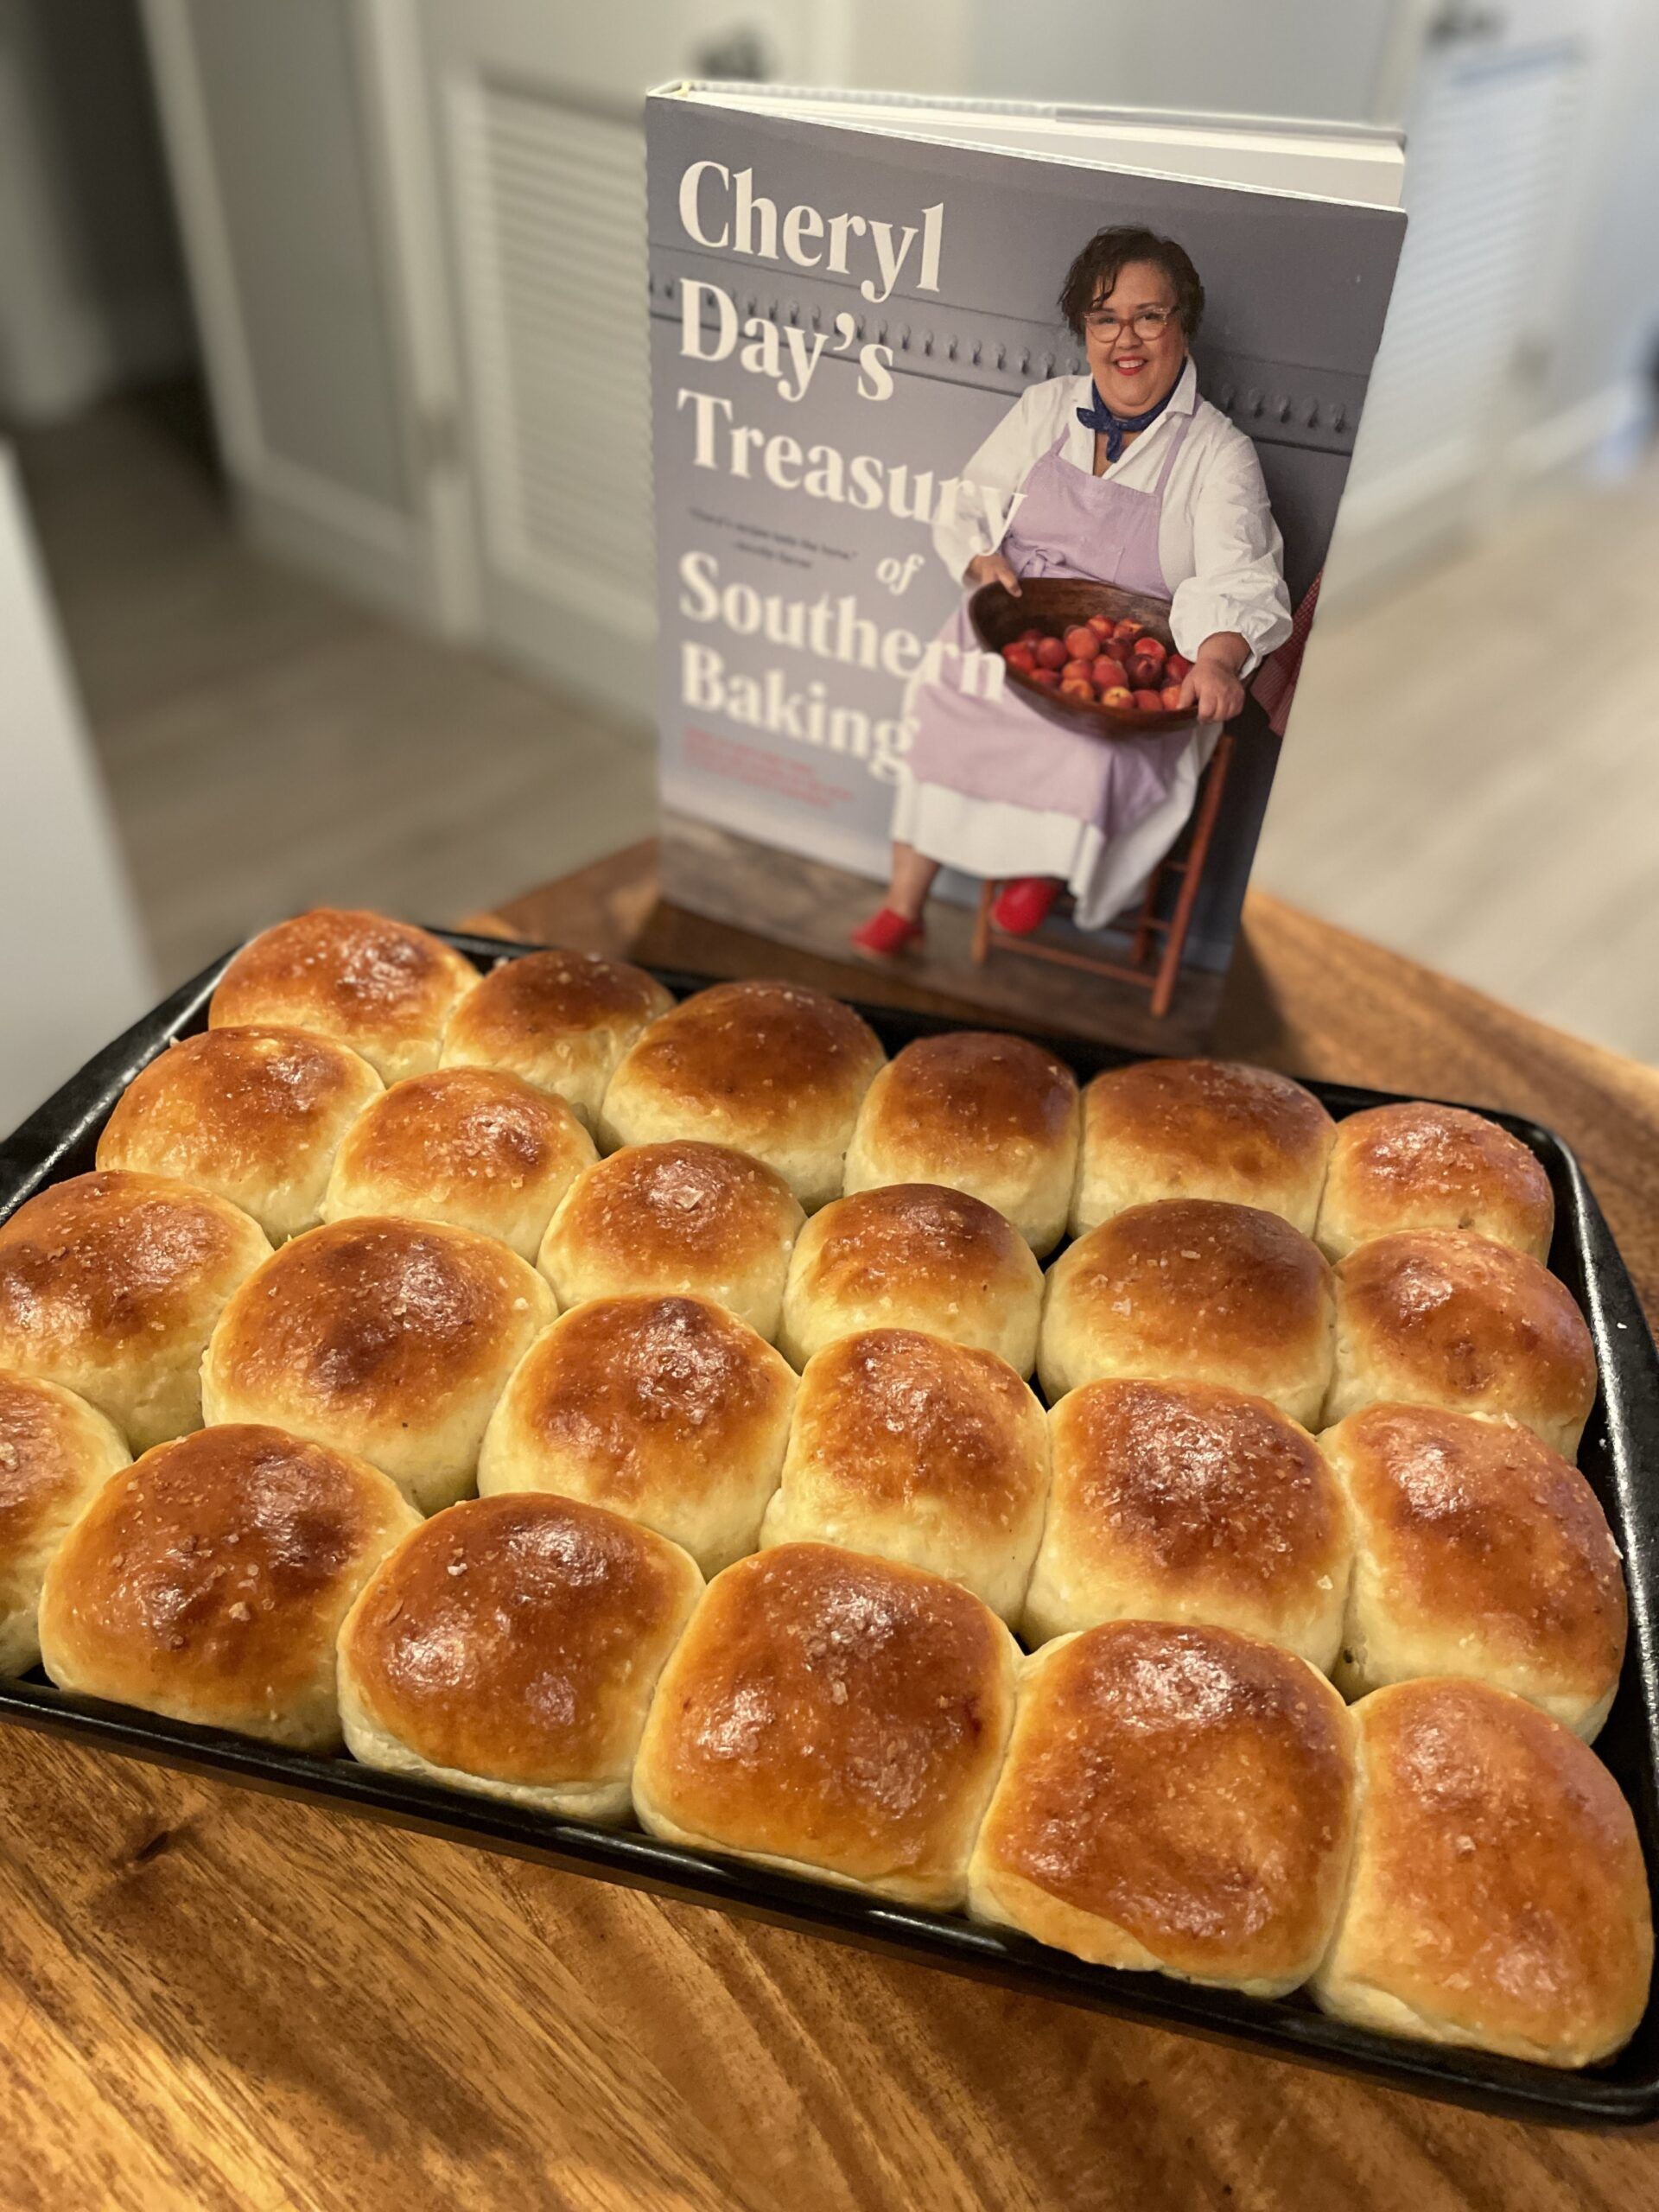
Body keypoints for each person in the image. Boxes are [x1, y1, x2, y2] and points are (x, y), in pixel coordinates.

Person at [851, 225, 1292, 957]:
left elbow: (1236, 572)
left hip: (1135, 650)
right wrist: (980, 557)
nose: (1127, 338)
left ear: (1184, 326)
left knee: (1097, 746)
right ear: (1083, 329)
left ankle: (1048, 866)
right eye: (1104, 317)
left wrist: (1217, 659)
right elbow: (971, 500)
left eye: (1150, 315)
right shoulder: (1046, 407)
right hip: (1021, 620)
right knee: (945, 688)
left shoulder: (1220, 453)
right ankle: (906, 902)